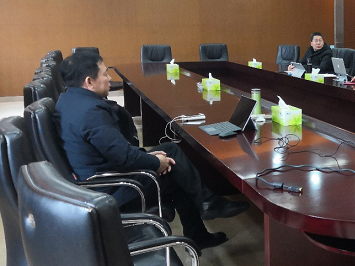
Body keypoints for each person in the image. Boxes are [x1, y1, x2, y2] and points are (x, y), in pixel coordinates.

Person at [54, 52, 249, 249]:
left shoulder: (67, 100)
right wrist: (156, 162)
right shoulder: (91, 112)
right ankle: (204, 212)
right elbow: (124, 157)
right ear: (89, 82)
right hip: (113, 188)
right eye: (104, 74)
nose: (109, 78)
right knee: (176, 171)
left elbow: (115, 151)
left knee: (170, 150)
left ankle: (205, 210)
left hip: (100, 175)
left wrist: (147, 156)